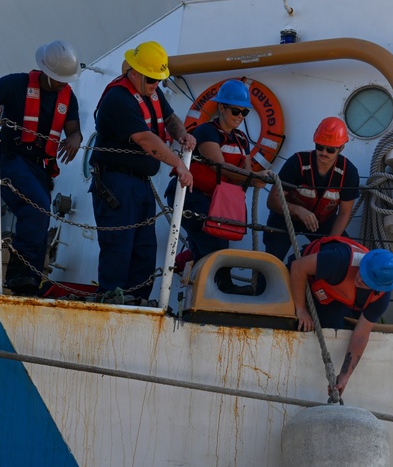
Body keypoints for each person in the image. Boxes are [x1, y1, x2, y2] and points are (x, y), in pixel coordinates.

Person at [0, 40, 83, 296]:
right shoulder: (15, 83)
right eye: (59, 79)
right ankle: (21, 275)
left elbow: (74, 130)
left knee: (40, 218)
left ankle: (31, 279)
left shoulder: (67, 97)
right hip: (11, 159)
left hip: (39, 167)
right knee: (37, 207)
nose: (64, 84)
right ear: (46, 72)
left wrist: (75, 139)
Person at [89, 41, 196, 302]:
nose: (155, 85)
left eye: (159, 80)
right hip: (116, 182)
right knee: (119, 245)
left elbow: (169, 119)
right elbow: (146, 140)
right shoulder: (118, 99)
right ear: (134, 72)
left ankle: (137, 300)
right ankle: (112, 298)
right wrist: (178, 164)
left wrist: (182, 135)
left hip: (140, 181)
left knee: (144, 247)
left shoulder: (151, 92)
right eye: (151, 79)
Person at [290, 237, 393, 396]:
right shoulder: (340, 259)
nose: (360, 279)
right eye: (362, 273)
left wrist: (345, 376)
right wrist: (301, 309)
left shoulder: (381, 299)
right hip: (304, 276)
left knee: (334, 329)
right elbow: (297, 267)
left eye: (367, 282)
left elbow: (361, 335)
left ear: (378, 288)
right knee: (296, 322)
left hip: (331, 296)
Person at [168, 79, 252, 267]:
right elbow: (219, 166)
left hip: (213, 202)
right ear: (222, 108)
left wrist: (252, 178)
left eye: (244, 112)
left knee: (217, 240)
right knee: (214, 242)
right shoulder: (207, 131)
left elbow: (248, 170)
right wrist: (254, 180)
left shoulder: (242, 139)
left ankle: (205, 280)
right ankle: (219, 286)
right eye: (236, 111)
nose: (240, 116)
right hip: (189, 194)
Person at [263, 117, 360, 263]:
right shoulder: (297, 162)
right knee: (272, 260)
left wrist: (330, 243)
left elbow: (344, 213)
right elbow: (272, 200)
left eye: (331, 149)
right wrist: (298, 210)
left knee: (342, 254)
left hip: (323, 221)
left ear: (341, 148)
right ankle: (263, 285)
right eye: (319, 147)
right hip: (286, 217)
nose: (323, 153)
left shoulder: (348, 172)